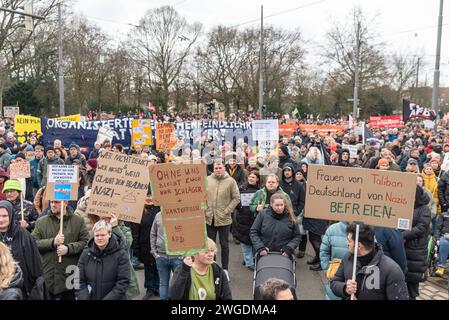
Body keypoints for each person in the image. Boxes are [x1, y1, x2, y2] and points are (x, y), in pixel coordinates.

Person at [330, 222, 409, 300]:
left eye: (349, 241)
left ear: (359, 246)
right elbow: (335, 282)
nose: (346, 243)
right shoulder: (348, 258)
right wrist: (345, 289)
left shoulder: (392, 270)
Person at [32, 200, 89, 300]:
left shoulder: (78, 221)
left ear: (65, 203)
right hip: (48, 277)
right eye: (52, 202)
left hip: (69, 277)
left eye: (57, 202)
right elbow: (33, 243)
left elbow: (85, 242)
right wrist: (53, 242)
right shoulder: (41, 221)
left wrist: (68, 248)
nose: (53, 204)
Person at [0, 200, 46, 300]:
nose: (1, 219)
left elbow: (35, 266)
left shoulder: (23, 235)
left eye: (4, 216)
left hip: (22, 288)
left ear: (11, 215)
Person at [76, 220, 130, 300]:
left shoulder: (121, 255)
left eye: (103, 235)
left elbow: (123, 282)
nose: (99, 238)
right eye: (97, 235)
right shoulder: (85, 254)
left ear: (109, 234)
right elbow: (78, 281)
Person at [205, 159, 240, 281]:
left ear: (224, 168)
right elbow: (202, 196)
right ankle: (212, 268)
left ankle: (225, 269)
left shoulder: (230, 181)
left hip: (224, 219)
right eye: (216, 168)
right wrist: (204, 209)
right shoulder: (207, 180)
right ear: (213, 169)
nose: (218, 170)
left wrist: (227, 210)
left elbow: (236, 198)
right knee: (210, 246)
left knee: (224, 245)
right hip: (209, 218)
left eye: (220, 168)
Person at [401, 185, 431, 300]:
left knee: (412, 280)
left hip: (415, 248)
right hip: (402, 246)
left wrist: (402, 235)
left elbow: (421, 227)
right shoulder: (404, 205)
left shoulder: (424, 209)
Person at [250, 193, 301, 259]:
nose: (280, 208)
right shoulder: (263, 214)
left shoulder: (291, 216)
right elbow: (254, 232)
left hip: (284, 255)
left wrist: (289, 248)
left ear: (285, 204)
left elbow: (297, 236)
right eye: (277, 205)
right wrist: (260, 247)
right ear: (271, 204)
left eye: (281, 205)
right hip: (265, 254)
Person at [133, 189, 160, 300]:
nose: (149, 198)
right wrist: (136, 248)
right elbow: (135, 231)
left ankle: (157, 287)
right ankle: (149, 288)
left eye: (150, 195)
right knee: (148, 267)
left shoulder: (159, 209)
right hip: (144, 244)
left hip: (158, 244)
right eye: (146, 196)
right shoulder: (138, 211)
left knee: (158, 267)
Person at [150, 211, 183, 300]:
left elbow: (187, 234)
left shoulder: (181, 214)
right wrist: (154, 252)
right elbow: (153, 233)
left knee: (177, 284)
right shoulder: (158, 215)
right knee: (163, 283)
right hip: (161, 256)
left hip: (177, 256)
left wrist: (184, 254)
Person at [232, 171, 260, 270]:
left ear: (257, 179)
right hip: (243, 218)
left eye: (253, 177)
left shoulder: (260, 190)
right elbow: (235, 200)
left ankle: (249, 258)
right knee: (245, 241)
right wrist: (239, 206)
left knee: (253, 241)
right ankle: (249, 262)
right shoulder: (241, 188)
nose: (251, 178)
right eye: (250, 177)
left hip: (255, 218)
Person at [319, 221, 348, 300]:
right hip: (335, 280)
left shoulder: (365, 231)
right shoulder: (332, 230)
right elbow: (324, 252)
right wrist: (328, 271)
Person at [434, 210, 449, 276]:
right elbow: (437, 228)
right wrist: (437, 238)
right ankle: (441, 266)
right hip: (445, 236)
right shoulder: (443, 215)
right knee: (444, 243)